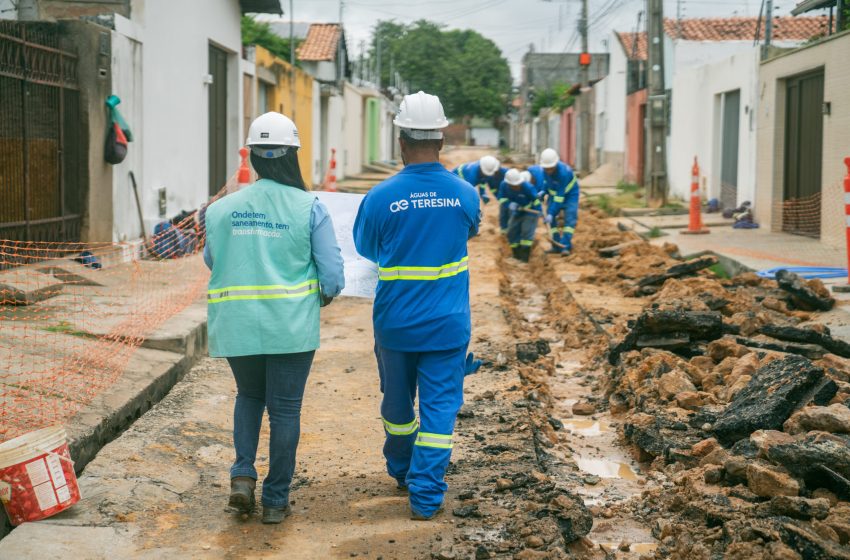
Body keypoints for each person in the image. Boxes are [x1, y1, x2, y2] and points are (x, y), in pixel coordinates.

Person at [203, 112, 345, 524]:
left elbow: (214, 260)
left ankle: (243, 476)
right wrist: (325, 294)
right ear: (292, 156)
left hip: (237, 324)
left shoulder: (221, 209)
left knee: (249, 397)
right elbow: (332, 275)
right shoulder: (308, 207)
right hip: (291, 329)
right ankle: (276, 501)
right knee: (285, 411)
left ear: (254, 155)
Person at [353, 91, 481, 521]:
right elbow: (470, 232)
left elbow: (366, 247)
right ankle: (426, 496)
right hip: (447, 325)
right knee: (440, 411)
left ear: (401, 141)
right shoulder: (464, 193)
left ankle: (402, 469)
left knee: (398, 407)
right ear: (441, 141)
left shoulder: (380, 197)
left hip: (396, 324)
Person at [538, 148, 579, 255]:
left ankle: (565, 246)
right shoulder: (545, 170)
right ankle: (556, 245)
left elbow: (559, 198)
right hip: (555, 194)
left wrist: (551, 213)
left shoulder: (564, 173)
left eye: (550, 168)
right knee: (551, 222)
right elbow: (547, 182)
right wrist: (543, 191)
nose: (548, 171)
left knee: (570, 219)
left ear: (555, 164)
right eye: (546, 168)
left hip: (570, 195)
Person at [452, 156, 509, 233]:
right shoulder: (472, 175)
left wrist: (483, 194)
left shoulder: (483, 168)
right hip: (455, 181)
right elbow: (467, 193)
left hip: (465, 182)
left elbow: (482, 181)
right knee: (463, 204)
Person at [498, 168, 541, 262]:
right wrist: (509, 204)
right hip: (517, 212)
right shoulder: (503, 185)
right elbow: (501, 198)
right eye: (513, 186)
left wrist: (537, 210)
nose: (516, 187)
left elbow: (536, 201)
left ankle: (525, 259)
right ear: (508, 184)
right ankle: (516, 256)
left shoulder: (528, 187)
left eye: (517, 185)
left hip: (531, 212)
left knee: (526, 232)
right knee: (512, 232)